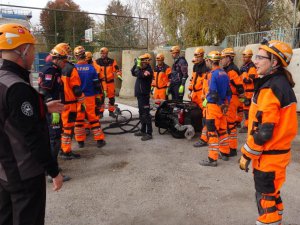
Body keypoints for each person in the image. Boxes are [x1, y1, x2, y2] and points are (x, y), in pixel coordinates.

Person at [0, 23, 63, 225]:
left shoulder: (4, 80)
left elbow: (10, 115)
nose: (33, 53)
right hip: (25, 174)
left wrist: (42, 108)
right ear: (22, 50)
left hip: (4, 170)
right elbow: (33, 137)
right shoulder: (18, 87)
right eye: (32, 48)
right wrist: (53, 171)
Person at [239, 40, 297, 225]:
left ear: (274, 62)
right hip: (277, 157)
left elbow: (264, 131)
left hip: (270, 158)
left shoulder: (271, 88)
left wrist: (246, 154)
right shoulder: (279, 83)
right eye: (256, 56)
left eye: (260, 57)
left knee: (266, 204)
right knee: (273, 197)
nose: (255, 61)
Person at [38, 53, 71, 183]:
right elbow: (44, 91)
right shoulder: (50, 70)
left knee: (54, 139)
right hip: (52, 110)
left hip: (54, 108)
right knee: (55, 140)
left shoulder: (54, 69)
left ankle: (52, 168)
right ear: (56, 59)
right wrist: (53, 110)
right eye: (63, 60)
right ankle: (51, 172)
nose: (65, 63)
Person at [50, 43, 84, 160]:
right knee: (68, 128)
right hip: (70, 105)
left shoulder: (54, 68)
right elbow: (76, 88)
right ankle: (66, 151)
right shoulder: (70, 68)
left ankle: (61, 149)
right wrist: (81, 98)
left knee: (61, 128)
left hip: (58, 104)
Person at [199, 51, 231, 167]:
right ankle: (225, 153)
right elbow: (228, 92)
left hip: (213, 108)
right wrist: (225, 104)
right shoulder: (224, 73)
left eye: (207, 60)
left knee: (212, 133)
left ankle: (212, 159)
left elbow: (213, 93)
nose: (206, 62)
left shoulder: (212, 74)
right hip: (222, 109)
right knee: (222, 131)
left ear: (210, 61)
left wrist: (217, 103)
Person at [74, 46, 106, 148]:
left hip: (78, 99)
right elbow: (97, 85)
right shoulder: (92, 69)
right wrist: (98, 98)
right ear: (85, 56)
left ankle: (80, 142)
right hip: (90, 97)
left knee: (79, 120)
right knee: (93, 119)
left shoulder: (73, 69)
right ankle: (99, 140)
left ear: (76, 56)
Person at [221, 48, 244, 157]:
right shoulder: (227, 69)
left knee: (230, 124)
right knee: (228, 124)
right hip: (229, 98)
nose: (221, 60)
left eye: (223, 58)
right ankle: (230, 147)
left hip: (232, 99)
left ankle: (232, 148)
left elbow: (239, 86)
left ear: (229, 58)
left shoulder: (232, 70)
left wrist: (241, 97)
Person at [188, 48, 210, 147]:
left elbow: (207, 84)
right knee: (193, 113)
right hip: (195, 94)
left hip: (202, 95)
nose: (196, 58)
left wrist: (206, 97)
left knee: (205, 115)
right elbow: (193, 80)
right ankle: (197, 130)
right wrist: (190, 90)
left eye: (198, 56)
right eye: (196, 56)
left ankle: (205, 137)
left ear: (202, 56)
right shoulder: (195, 66)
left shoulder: (206, 67)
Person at [131, 54, 153, 141]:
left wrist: (138, 67)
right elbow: (133, 72)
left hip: (144, 95)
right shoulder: (141, 69)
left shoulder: (148, 70)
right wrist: (136, 64)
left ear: (146, 61)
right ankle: (143, 130)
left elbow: (140, 75)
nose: (141, 63)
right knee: (141, 113)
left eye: (142, 61)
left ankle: (149, 133)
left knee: (146, 114)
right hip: (139, 95)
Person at [95, 47, 122, 118]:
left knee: (111, 98)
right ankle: (101, 112)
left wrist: (119, 75)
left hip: (110, 83)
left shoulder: (112, 61)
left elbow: (117, 69)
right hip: (102, 83)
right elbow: (95, 72)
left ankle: (111, 111)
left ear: (107, 53)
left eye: (104, 53)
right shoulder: (97, 62)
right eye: (102, 53)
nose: (103, 55)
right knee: (101, 98)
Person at [239, 49, 258, 133]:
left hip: (249, 92)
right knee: (244, 108)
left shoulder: (251, 67)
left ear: (249, 57)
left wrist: (243, 78)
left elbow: (250, 80)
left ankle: (248, 125)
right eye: (243, 56)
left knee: (247, 109)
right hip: (245, 92)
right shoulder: (244, 66)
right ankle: (247, 124)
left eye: (245, 57)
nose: (243, 58)